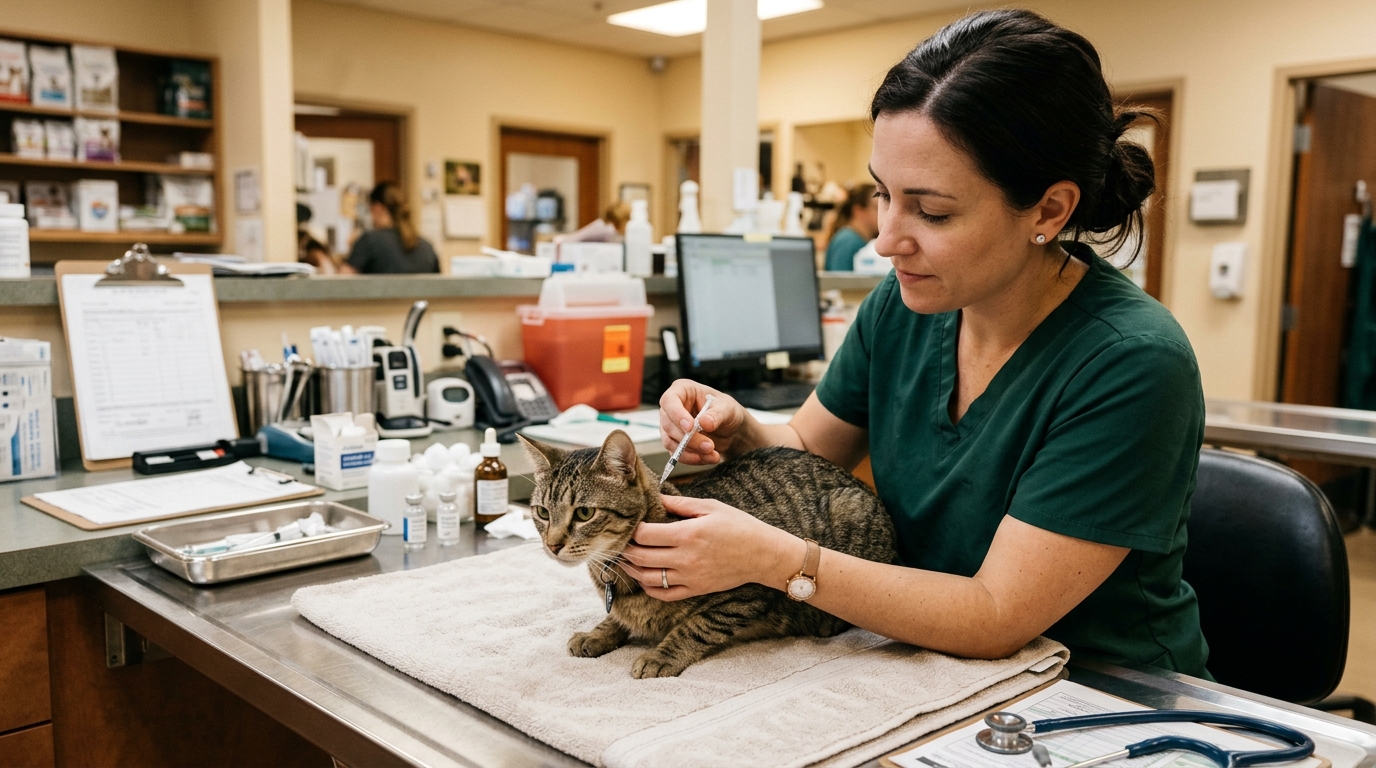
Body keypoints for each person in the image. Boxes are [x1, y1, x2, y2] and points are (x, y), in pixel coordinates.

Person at [625, 9, 1210, 678]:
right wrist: (743, 430)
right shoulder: (904, 307)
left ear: (1048, 211)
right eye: (882, 194)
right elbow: (815, 448)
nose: (886, 239)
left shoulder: (1130, 363)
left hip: (1098, 691)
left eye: (931, 211)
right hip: (926, 661)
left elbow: (995, 615)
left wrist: (771, 558)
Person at [342, 181, 439, 274]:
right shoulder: (427, 247)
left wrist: (353, 250)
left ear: (378, 208)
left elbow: (343, 282)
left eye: (370, 210)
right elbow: (439, 287)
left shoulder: (369, 241)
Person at [823, 184, 879, 271]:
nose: (883, 214)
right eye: (877, 208)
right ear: (858, 210)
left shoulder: (861, 240)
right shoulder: (848, 241)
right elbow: (841, 282)